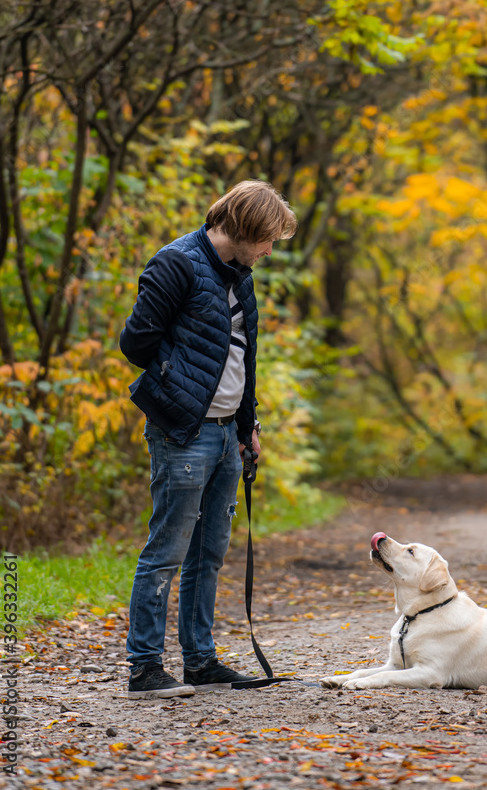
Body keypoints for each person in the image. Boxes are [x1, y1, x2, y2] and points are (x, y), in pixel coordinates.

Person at [119, 180, 297, 699]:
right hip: (184, 433)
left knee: (208, 554)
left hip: (226, 437)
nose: (269, 251)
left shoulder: (241, 277)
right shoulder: (176, 262)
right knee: (167, 550)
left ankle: (200, 661)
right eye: (267, 239)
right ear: (244, 227)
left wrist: (248, 428)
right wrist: (175, 390)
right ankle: (145, 668)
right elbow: (136, 342)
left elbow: (246, 358)